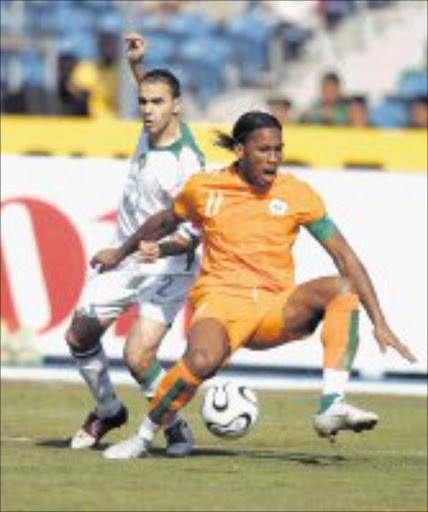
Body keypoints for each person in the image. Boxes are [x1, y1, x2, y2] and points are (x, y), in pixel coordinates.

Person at [91, 111, 416, 460]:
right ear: (240, 150)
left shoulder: (297, 193)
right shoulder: (205, 188)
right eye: (264, 150)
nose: (273, 158)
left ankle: (330, 405)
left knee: (342, 288)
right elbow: (164, 221)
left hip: (275, 308)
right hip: (220, 302)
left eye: (278, 149)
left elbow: (345, 255)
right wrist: (121, 252)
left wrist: (379, 322)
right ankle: (143, 437)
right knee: (201, 360)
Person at [65, 33, 205, 456]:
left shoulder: (188, 166)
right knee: (78, 337)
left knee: (138, 356)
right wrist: (137, 66)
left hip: (166, 266)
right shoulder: (150, 129)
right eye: (142, 101)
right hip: (126, 257)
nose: (146, 110)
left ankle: (176, 427)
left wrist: (154, 251)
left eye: (157, 102)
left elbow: (193, 235)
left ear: (176, 106)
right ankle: (108, 410)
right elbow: (152, 89)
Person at [68, 31, 120, 118]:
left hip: (118, 124)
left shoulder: (125, 73)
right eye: (104, 44)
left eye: (110, 44)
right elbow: (74, 93)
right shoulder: (86, 68)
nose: (107, 49)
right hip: (90, 123)